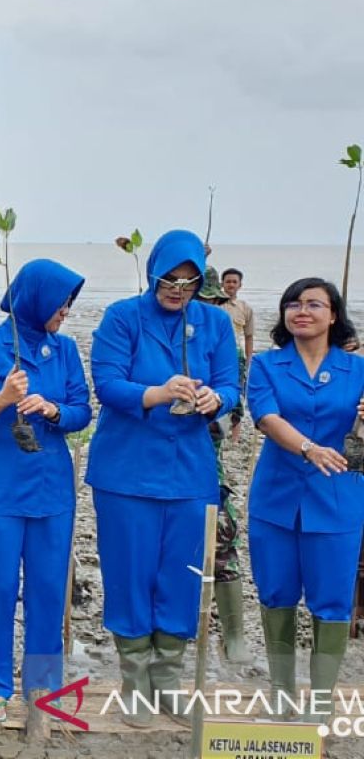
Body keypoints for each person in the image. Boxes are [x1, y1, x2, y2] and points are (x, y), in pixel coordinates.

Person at [87, 229, 239, 727]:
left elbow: (231, 385)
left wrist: (216, 400)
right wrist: (156, 392)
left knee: (181, 572)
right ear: (153, 273)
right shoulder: (122, 317)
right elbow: (107, 383)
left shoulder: (215, 322)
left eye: (189, 282)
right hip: (126, 470)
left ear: (201, 282)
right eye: (169, 280)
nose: (178, 289)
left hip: (190, 472)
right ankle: (134, 679)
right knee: (130, 572)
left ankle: (167, 678)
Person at [0, 259, 92, 723]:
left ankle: (43, 685)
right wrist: (1, 400)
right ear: (34, 299)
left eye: (70, 304)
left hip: (50, 490)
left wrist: (53, 410)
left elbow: (81, 411)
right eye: (59, 303)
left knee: (49, 590)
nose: (65, 311)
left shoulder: (65, 349)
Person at [246, 278, 364, 721]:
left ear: (333, 315)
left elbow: (360, 443)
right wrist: (309, 448)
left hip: (338, 500)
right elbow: (267, 418)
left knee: (331, 598)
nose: (302, 310)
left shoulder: (358, 370)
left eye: (314, 304)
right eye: (293, 303)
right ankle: (280, 690)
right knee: (276, 592)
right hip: (276, 499)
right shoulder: (266, 366)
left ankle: (320, 696)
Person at [196, 267, 250, 664]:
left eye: (216, 302)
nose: (211, 308)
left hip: (207, 461)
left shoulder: (226, 350)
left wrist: (219, 407)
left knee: (223, 540)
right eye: (205, 300)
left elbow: (236, 403)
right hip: (162, 465)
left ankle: (234, 633)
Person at [220, 268, 254, 441]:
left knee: (238, 392)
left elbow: (248, 337)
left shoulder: (245, 308)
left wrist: (249, 360)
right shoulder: (215, 304)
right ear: (222, 283)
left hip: (237, 355)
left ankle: (235, 435)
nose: (231, 285)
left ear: (240, 285)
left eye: (234, 281)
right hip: (218, 354)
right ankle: (218, 427)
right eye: (228, 281)